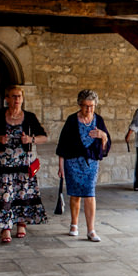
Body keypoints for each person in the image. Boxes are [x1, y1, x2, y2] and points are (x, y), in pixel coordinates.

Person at [0, 85, 48, 244]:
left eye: (19, 96)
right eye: (13, 96)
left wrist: (31, 140)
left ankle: (21, 223)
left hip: (23, 162)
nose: (16, 99)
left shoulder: (29, 117)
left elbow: (44, 137)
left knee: (22, 193)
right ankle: (5, 228)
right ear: (6, 99)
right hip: (3, 162)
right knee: (5, 193)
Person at [55, 89, 110, 242]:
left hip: (91, 163)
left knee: (90, 194)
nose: (89, 109)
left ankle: (91, 230)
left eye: (92, 106)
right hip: (72, 162)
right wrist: (61, 167)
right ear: (80, 105)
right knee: (75, 195)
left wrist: (103, 136)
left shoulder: (98, 120)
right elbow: (62, 145)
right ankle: (74, 224)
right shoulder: (72, 120)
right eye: (85, 106)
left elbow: (106, 142)